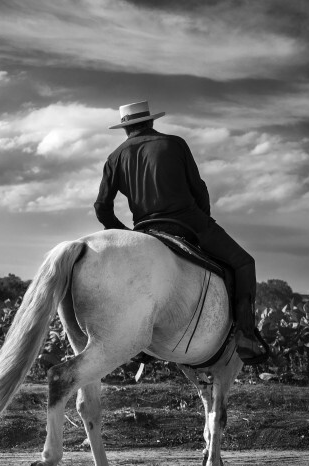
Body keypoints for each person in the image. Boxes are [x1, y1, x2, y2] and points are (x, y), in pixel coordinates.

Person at [94, 100, 269, 365]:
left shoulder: (115, 157)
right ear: (151, 121)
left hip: (145, 230)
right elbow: (199, 189)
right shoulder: (174, 144)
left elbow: (101, 208)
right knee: (244, 263)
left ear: (125, 128)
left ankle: (135, 340)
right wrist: (204, 220)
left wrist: (127, 236)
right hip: (189, 223)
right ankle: (245, 335)